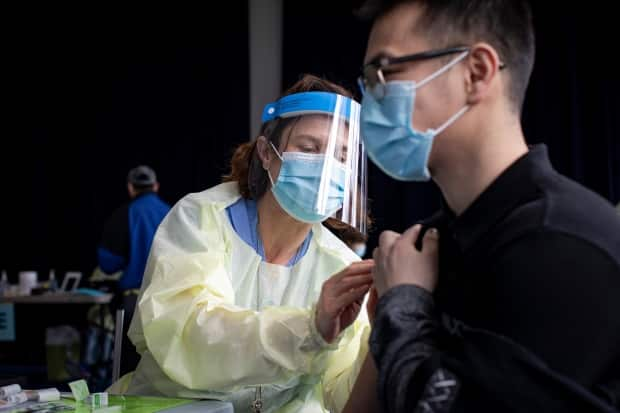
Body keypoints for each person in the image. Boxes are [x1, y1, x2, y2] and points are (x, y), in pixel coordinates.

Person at [351, 0, 620, 412]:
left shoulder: (563, 245)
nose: (370, 100)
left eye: (385, 73)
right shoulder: (427, 244)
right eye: (367, 82)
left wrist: (402, 309)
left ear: (476, 73)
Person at [121, 75, 373, 413]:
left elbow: (340, 393)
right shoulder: (201, 218)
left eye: (341, 155)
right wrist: (310, 330)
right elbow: (189, 336)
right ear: (267, 154)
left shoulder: (339, 264)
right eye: (310, 148)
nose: (328, 167)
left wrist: (382, 339)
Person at [98, 165, 171, 374]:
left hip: (134, 304)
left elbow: (107, 263)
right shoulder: (174, 213)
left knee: (130, 369)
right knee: (163, 368)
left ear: (131, 188)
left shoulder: (124, 214)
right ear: (155, 186)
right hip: (168, 302)